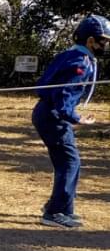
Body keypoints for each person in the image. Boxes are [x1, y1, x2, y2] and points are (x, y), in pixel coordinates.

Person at [33, 14, 107, 229]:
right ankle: (55, 212)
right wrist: (76, 117)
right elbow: (63, 95)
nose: (106, 45)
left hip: (48, 113)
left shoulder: (70, 55)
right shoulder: (79, 63)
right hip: (53, 116)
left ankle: (63, 208)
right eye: (104, 41)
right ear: (91, 41)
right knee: (69, 162)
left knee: (67, 161)